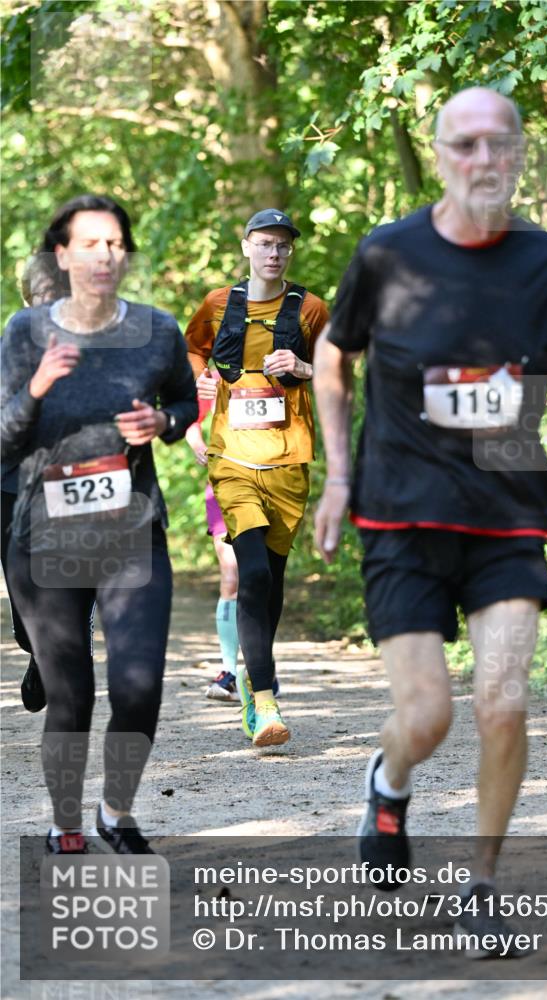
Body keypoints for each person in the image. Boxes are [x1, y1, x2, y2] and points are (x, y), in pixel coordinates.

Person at [313, 87, 547, 957]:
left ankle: (481, 883)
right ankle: (388, 785)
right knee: (426, 716)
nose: (481, 161)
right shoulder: (387, 254)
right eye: (462, 145)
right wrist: (336, 475)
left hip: (507, 511)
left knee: (503, 701)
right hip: (398, 513)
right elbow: (332, 353)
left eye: (497, 145)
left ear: (516, 155)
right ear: (438, 154)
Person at [1, 194, 198, 855]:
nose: (105, 255)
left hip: (130, 530)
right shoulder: (24, 334)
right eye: (90, 243)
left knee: (138, 686)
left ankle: (117, 811)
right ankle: (66, 821)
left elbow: (185, 401)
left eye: (115, 243)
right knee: (72, 695)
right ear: (62, 255)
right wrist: (36, 388)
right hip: (46, 537)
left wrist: (163, 424)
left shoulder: (157, 329)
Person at [185, 209, 328, 746]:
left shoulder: (311, 310)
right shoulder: (219, 305)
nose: (275, 254)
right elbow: (192, 354)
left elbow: (341, 366)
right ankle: (265, 703)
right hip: (233, 459)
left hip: (289, 458)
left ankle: (252, 671)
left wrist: (306, 367)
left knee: (274, 580)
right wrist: (192, 423)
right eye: (265, 244)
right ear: (246, 246)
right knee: (253, 576)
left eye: (283, 247)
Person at [1, 255, 55, 714]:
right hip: (12, 484)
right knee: (22, 597)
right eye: (43, 293)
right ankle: (36, 646)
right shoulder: (11, 343)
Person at [185, 368, 241, 701]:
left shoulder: (277, 358)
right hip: (223, 482)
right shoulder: (214, 373)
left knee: (263, 576)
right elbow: (191, 418)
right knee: (232, 574)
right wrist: (199, 445)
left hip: (272, 480)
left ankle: (264, 666)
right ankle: (229, 672)